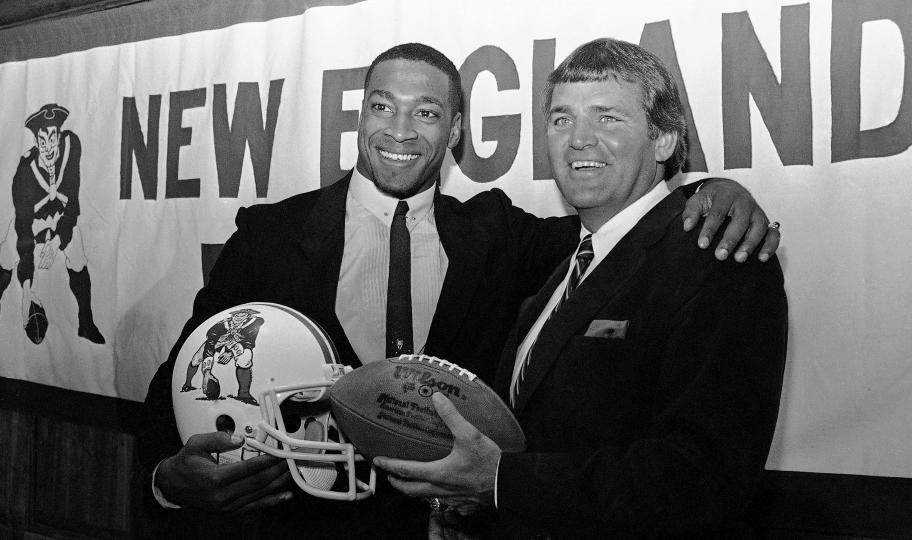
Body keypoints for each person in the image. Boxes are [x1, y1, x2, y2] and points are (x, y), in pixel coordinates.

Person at [140, 43, 780, 538]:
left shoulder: (498, 234)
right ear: (360, 116)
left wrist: (707, 189)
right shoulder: (270, 233)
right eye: (382, 107)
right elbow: (182, 374)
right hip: (297, 532)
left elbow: (629, 223)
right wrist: (167, 476)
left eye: (427, 113)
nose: (400, 130)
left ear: (455, 134)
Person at [375, 38, 788, 539]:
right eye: (562, 119)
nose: (578, 140)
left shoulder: (720, 257)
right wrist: (475, 507)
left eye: (607, 117)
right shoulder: (564, 269)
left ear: (664, 140)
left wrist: (501, 483)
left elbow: (705, 477)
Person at [0, 103, 105, 345]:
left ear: (60, 136)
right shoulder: (25, 172)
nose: (49, 147)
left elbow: (72, 205)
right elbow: (24, 234)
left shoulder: (71, 147)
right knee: (8, 254)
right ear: (36, 143)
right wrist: (27, 290)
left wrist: (58, 239)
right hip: (33, 223)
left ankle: (86, 322)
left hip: (61, 218)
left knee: (78, 258)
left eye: (53, 138)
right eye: (42, 140)